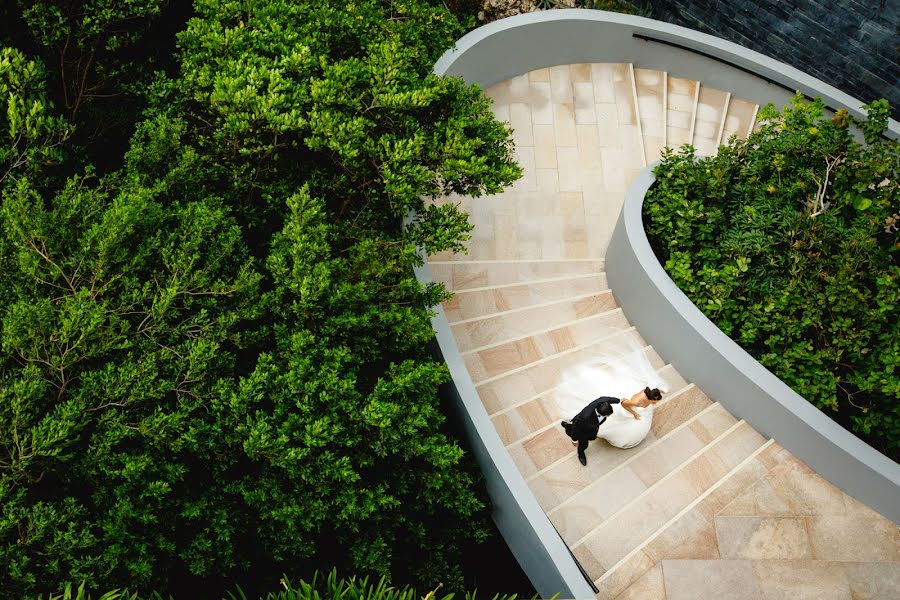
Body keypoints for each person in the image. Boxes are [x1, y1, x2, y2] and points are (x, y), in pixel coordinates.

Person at [561, 387, 663, 465]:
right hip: (583, 427)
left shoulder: (600, 402)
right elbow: (578, 429)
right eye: (606, 415)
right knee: (581, 439)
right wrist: (574, 440)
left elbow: (604, 398)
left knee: (578, 426)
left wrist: (619, 400)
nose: (608, 416)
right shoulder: (585, 417)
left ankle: (568, 425)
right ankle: (580, 451)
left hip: (587, 423)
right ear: (600, 413)